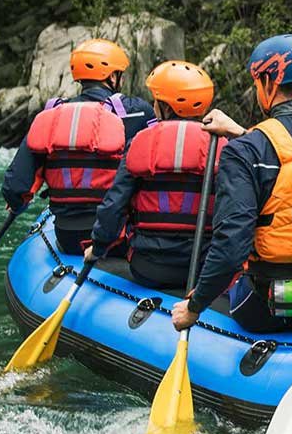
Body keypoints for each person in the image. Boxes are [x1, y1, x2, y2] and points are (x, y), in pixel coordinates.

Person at [170, 35, 292, 334]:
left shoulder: (245, 150)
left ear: (270, 83)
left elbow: (231, 245)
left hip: (265, 306)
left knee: (229, 290)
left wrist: (194, 307)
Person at [1, 38, 155, 253]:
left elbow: (15, 185)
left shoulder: (51, 116)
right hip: (118, 238)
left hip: (67, 236)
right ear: (112, 76)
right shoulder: (137, 112)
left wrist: (17, 201)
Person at [85, 61, 226, 289]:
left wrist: (98, 247)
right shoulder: (224, 147)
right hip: (203, 270)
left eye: (156, 101)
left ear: (166, 107)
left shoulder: (140, 142)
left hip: (149, 268)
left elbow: (114, 205)